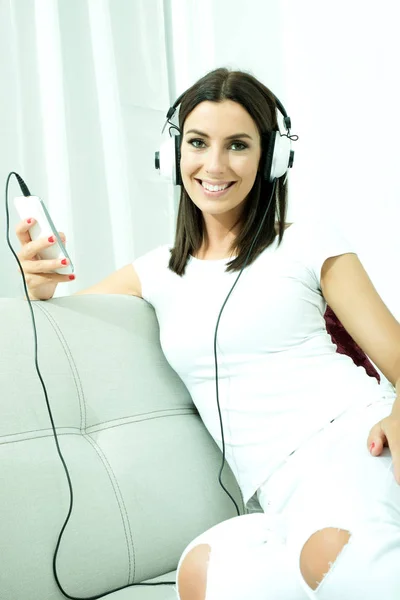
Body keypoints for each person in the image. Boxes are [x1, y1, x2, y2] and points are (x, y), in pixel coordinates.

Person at [16, 67, 400, 600]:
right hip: (279, 492)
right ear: (174, 154)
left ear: (272, 159)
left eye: (238, 145)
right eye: (198, 143)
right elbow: (54, 319)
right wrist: (35, 282)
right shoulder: (153, 273)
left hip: (356, 444)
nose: (214, 165)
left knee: (334, 560)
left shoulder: (309, 242)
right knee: (204, 572)